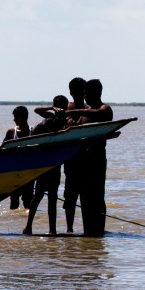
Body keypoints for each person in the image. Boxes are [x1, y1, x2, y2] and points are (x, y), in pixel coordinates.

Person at [72, 78, 114, 236]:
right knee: (85, 197)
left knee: (97, 195)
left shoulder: (104, 109)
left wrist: (73, 111)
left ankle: (99, 231)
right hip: (82, 159)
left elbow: (99, 115)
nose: (84, 96)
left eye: (86, 92)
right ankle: (88, 232)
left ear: (96, 92)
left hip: (96, 158)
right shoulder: (83, 114)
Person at [24, 95, 69, 236]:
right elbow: (37, 110)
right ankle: (39, 228)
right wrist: (52, 108)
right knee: (40, 196)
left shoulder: (66, 122)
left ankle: (48, 229)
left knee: (47, 198)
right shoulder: (51, 120)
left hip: (52, 164)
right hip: (47, 164)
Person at [61, 77, 89, 232]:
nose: (79, 93)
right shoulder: (67, 107)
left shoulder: (88, 108)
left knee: (85, 196)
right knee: (70, 196)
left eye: (82, 90)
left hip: (86, 159)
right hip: (71, 159)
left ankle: (87, 229)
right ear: (70, 91)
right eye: (75, 90)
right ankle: (69, 229)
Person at [3, 105, 32, 210]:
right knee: (14, 204)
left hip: (29, 174)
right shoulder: (11, 132)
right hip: (14, 174)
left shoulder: (32, 132)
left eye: (16, 117)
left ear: (24, 117)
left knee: (28, 203)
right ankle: (13, 225)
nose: (14, 119)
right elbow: (2, 150)